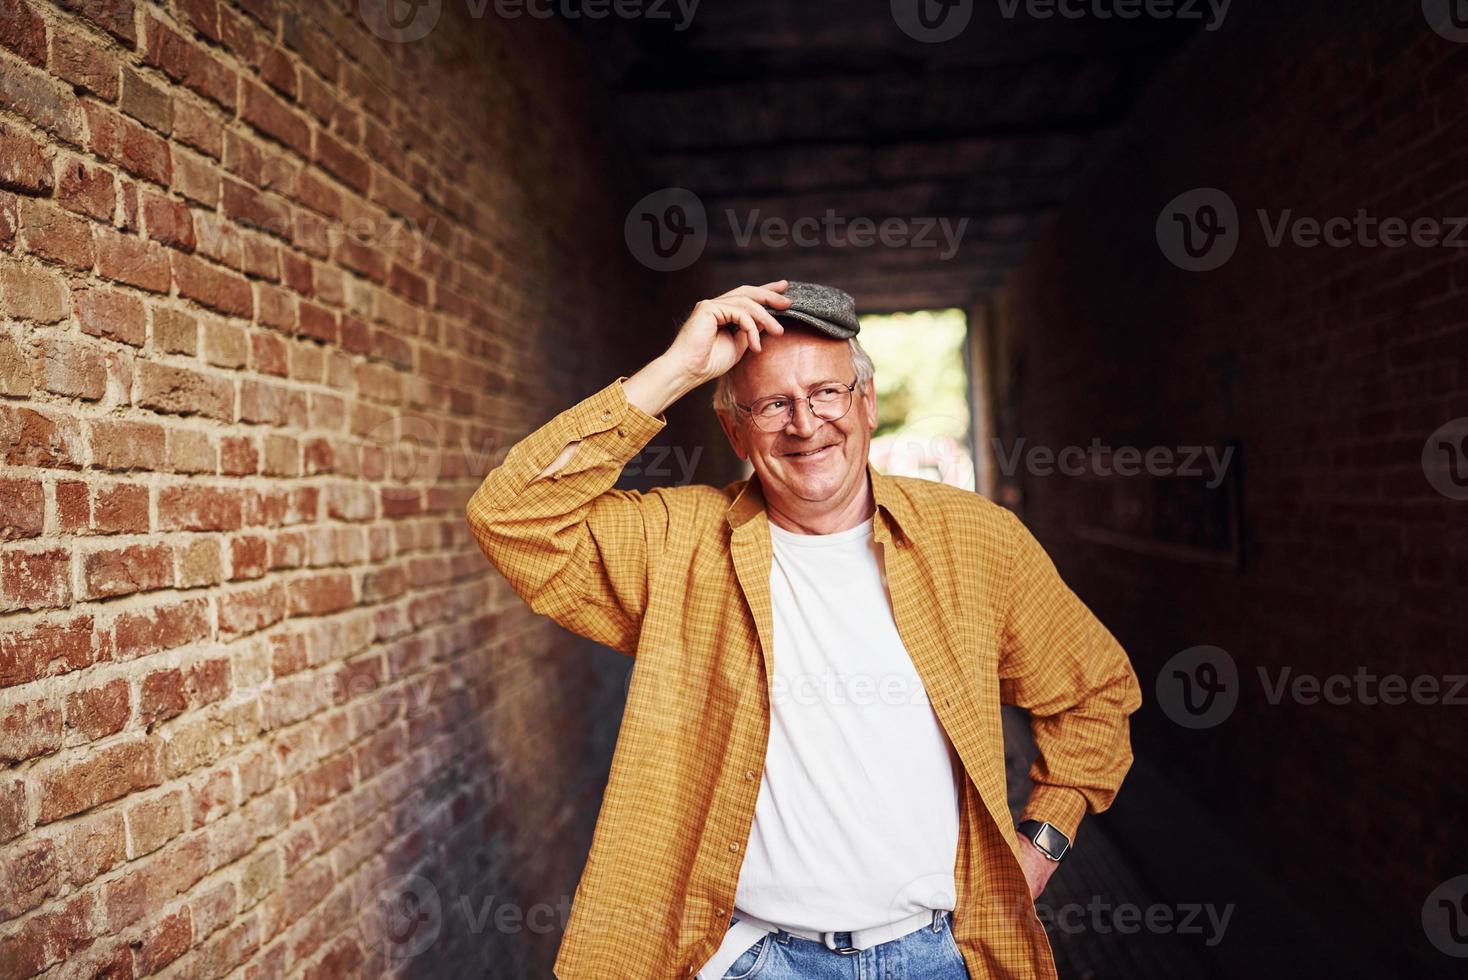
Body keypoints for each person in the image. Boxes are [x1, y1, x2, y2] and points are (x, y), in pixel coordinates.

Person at [466, 280, 1143, 979]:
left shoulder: (974, 540)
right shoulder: (677, 545)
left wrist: (1040, 845)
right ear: (734, 430)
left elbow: (1095, 693)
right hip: (757, 961)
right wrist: (678, 370)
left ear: (868, 404)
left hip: (940, 955)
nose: (805, 423)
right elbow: (512, 517)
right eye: (772, 404)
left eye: (827, 392)